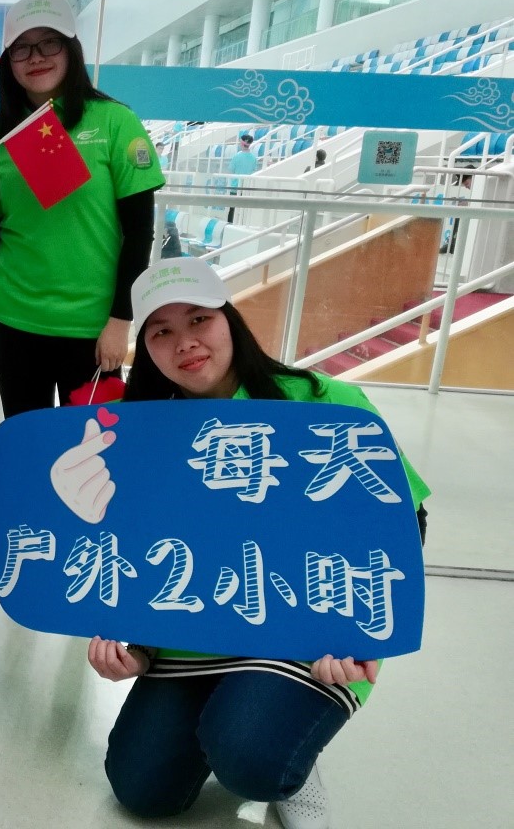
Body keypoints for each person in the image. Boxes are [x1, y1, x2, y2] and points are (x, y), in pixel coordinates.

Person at [84, 256, 430, 828]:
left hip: (304, 637)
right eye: (161, 332)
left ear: (230, 320)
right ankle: (242, 709)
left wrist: (355, 628)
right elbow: (136, 551)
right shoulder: (138, 433)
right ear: (144, 349)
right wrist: (133, 645)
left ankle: (291, 756)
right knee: (143, 791)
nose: (185, 342)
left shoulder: (321, 402)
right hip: (192, 638)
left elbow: (403, 522)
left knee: (253, 757)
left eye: (199, 319)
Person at [0, 0, 165, 418]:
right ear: (9, 63)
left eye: (49, 42)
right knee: (28, 441)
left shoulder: (115, 122)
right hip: (15, 322)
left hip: (91, 328)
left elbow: (140, 231)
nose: (36, 57)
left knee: (95, 444)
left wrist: (120, 321)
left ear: (71, 49)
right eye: (22, 48)